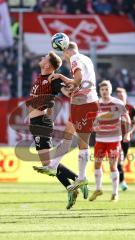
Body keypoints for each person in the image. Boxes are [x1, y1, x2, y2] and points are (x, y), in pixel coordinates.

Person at [34, 42, 99, 191]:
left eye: (64, 54)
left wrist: (62, 77)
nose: (64, 57)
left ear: (67, 52)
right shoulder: (86, 58)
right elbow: (81, 82)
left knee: (80, 141)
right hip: (85, 102)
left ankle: (80, 177)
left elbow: (78, 80)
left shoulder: (75, 59)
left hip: (84, 103)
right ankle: (55, 167)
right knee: (69, 136)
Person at [26, 51, 81, 209]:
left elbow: (65, 91)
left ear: (48, 65)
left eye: (44, 58)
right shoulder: (41, 77)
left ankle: (78, 180)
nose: (41, 58)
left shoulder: (52, 79)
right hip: (37, 122)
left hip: (41, 122)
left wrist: (68, 89)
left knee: (48, 164)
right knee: (48, 164)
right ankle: (72, 187)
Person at [89, 80, 131, 202]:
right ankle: (98, 189)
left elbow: (126, 118)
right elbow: (92, 120)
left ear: (110, 90)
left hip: (114, 139)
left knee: (113, 165)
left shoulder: (117, 103)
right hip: (100, 139)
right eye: (102, 89)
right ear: (99, 91)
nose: (104, 91)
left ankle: (115, 193)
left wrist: (127, 133)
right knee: (97, 164)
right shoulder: (96, 104)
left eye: (106, 89)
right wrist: (93, 126)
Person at [116, 87, 135, 191]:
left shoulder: (131, 108)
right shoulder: (114, 107)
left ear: (126, 95)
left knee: (120, 162)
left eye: (122, 95)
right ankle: (121, 183)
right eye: (119, 95)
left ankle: (119, 181)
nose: (121, 96)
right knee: (118, 161)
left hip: (126, 139)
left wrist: (129, 132)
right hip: (115, 138)